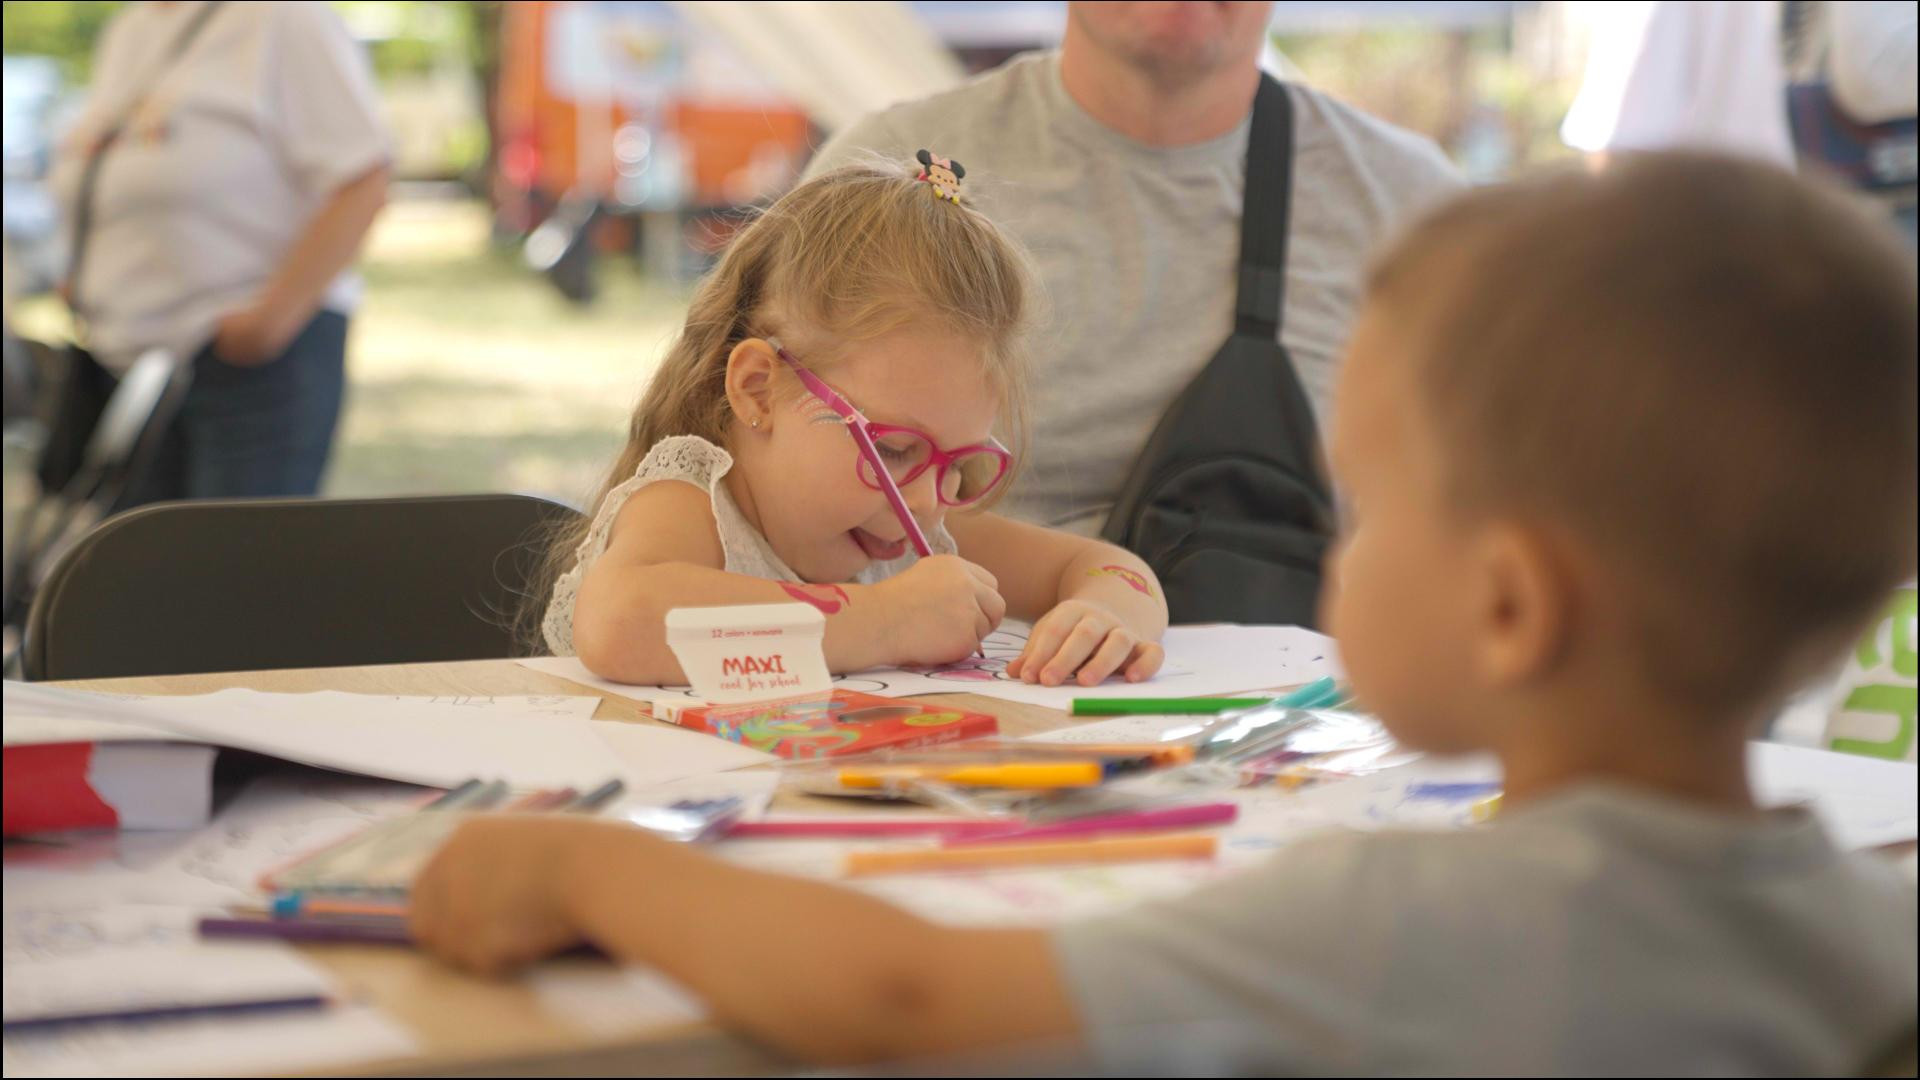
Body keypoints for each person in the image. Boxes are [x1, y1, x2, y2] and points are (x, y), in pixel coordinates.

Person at [414, 152, 1916, 1073]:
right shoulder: (1876, 925)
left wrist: (590, 873)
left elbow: (898, 994)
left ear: (1510, 608)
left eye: (1366, 506)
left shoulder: (1395, 922)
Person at [805, 0, 1459, 537]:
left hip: (1303, 683)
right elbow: (736, 471)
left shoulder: (1414, 207)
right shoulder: (888, 172)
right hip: (961, 674)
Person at [535, 158, 1168, 688]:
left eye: (959, 465)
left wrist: (1104, 615)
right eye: (893, 449)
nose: (924, 501)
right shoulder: (692, 508)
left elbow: (1106, 565)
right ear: (758, 389)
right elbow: (620, 623)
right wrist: (884, 619)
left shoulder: (907, 527)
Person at [48, 0, 390, 502]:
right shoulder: (131, 28)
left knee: (232, 568)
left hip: (243, 368)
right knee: (140, 565)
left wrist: (269, 322)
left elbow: (363, 176)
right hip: (131, 366)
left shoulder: (284, 18)